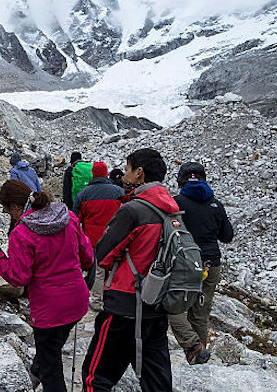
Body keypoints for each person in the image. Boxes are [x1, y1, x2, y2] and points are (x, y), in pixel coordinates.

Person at [0, 180, 93, 392]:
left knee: (52, 367)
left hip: (48, 311)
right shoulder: (68, 217)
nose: (10, 216)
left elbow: (18, 277)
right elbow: (87, 258)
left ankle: (40, 374)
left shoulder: (22, 233)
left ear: (15, 208)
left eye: (7, 211)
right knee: (51, 350)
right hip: (77, 302)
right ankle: (34, 373)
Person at [81, 148, 176, 392]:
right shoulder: (172, 209)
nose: (125, 175)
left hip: (123, 308)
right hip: (156, 307)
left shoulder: (133, 210)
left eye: (127, 169)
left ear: (139, 173)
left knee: (96, 378)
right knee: (157, 383)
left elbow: (102, 255)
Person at [168, 162, 234, 365]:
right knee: (200, 314)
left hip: (185, 264)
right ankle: (199, 357)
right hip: (210, 263)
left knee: (172, 308)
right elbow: (227, 236)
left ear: (180, 181)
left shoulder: (175, 203)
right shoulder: (215, 204)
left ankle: (191, 344)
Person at [73, 161, 125, 311]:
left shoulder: (83, 193)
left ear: (93, 174)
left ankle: (97, 301)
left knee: (99, 270)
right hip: (115, 237)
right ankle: (115, 299)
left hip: (94, 239)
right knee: (116, 268)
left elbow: (76, 219)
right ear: (106, 173)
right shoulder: (118, 191)